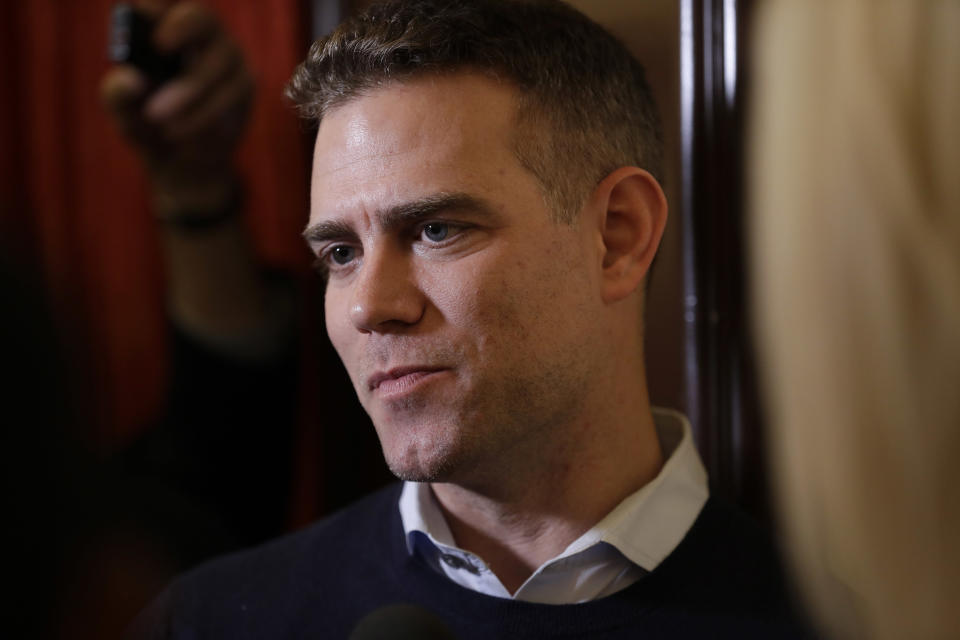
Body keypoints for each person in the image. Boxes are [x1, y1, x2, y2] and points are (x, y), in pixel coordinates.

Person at [119, 0, 808, 637]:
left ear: (618, 236)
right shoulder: (206, 622)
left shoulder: (841, 620)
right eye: (339, 252)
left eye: (438, 230)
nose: (368, 306)